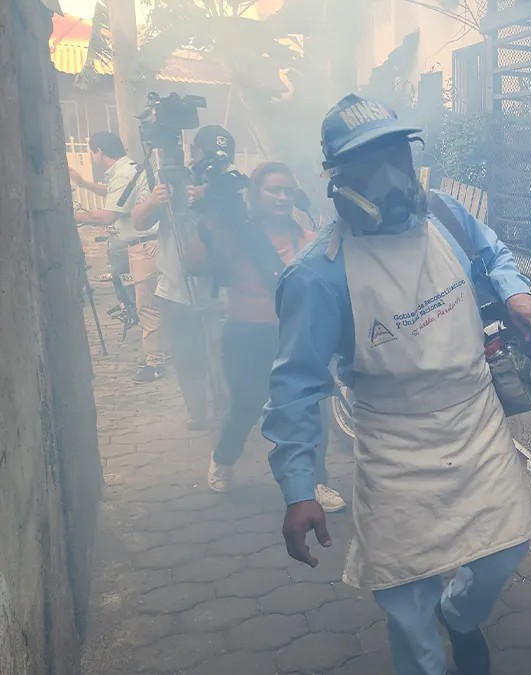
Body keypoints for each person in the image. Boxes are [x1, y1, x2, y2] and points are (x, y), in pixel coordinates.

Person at [263, 94, 531, 675]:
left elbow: (491, 249)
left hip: (474, 417)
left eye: (397, 153)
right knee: (406, 593)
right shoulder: (316, 274)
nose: (392, 176)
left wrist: (514, 286)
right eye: (371, 163)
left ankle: (461, 615)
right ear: (337, 178)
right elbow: (295, 385)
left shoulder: (443, 214)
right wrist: (298, 488)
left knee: (506, 547)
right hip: (393, 438)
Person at [184, 161, 346, 512]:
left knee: (310, 407)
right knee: (246, 404)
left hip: (292, 336)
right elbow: (195, 265)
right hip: (245, 335)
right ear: (255, 194)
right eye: (273, 189)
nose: (282, 197)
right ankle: (224, 457)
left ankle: (315, 482)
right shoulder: (236, 233)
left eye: (287, 190)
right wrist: (209, 222)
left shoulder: (305, 237)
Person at [131, 126, 227, 430]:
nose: (209, 163)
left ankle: (225, 408)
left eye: (217, 157)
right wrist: (155, 201)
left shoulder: (229, 187)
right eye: (204, 154)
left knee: (220, 354)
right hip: (174, 291)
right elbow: (138, 220)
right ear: (193, 152)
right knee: (186, 358)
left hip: (216, 292)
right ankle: (196, 412)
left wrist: (209, 197)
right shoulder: (173, 182)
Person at [72, 131, 165, 383]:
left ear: (99, 151)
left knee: (148, 307)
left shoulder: (124, 173)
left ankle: (155, 362)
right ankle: (156, 354)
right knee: (150, 304)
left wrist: (73, 216)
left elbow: (108, 216)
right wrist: (84, 184)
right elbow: (118, 197)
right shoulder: (126, 170)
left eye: (92, 152)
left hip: (144, 245)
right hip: (145, 245)